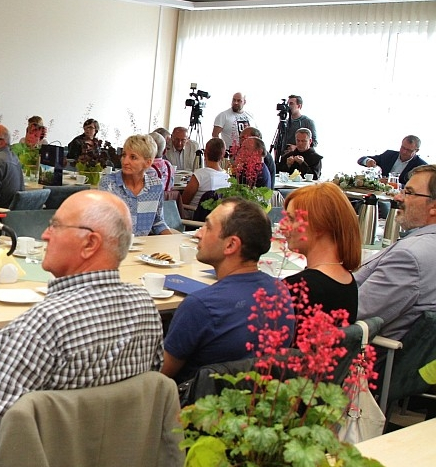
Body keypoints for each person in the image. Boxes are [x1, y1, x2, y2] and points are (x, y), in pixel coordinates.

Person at [0, 190, 163, 444]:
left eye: (56, 226)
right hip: (110, 465)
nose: (45, 235)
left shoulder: (45, 326)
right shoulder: (145, 308)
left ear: (90, 243)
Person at [161, 198, 291, 383]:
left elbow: (160, 374)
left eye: (208, 227)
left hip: (193, 405)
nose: (198, 234)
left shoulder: (201, 306)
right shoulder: (282, 292)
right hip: (256, 402)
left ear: (231, 245)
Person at [355, 164, 436, 342]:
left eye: (409, 192)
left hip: (365, 358)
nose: (398, 197)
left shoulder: (410, 257)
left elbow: (353, 312)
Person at [282, 182, 360, 322]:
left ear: (319, 226)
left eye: (291, 219)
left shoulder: (297, 288)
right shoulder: (348, 281)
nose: (283, 226)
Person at [97, 134, 170, 236]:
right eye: (124, 155)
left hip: (144, 248)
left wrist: (174, 242)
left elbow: (158, 223)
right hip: (114, 246)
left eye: (133, 157)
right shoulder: (108, 184)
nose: (125, 161)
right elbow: (101, 223)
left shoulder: (156, 186)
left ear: (148, 163)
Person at [181, 138, 229, 216]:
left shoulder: (199, 175)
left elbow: (184, 201)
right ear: (223, 155)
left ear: (205, 153)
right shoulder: (227, 177)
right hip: (217, 219)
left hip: (194, 217)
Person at [357, 135, 426, 186]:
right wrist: (368, 161)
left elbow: (419, 187)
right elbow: (361, 159)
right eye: (403, 147)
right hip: (379, 192)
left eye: (408, 150)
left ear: (416, 150)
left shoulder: (421, 166)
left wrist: (396, 185)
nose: (404, 152)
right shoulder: (389, 155)